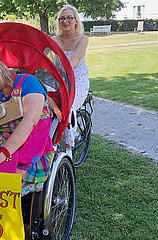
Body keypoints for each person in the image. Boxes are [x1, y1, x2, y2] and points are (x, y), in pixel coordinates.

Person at [0, 57, 54, 196]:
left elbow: (30, 121)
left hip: (31, 139)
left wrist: (4, 152)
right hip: (4, 139)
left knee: (3, 166)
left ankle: (2, 202)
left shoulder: (28, 81)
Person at [50, 4, 90, 158]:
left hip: (77, 79)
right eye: (62, 18)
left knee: (69, 106)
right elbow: (40, 54)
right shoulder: (54, 40)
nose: (65, 21)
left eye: (69, 18)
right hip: (59, 79)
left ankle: (68, 148)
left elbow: (76, 58)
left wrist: (60, 70)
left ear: (75, 21)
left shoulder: (82, 39)